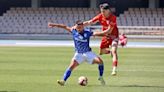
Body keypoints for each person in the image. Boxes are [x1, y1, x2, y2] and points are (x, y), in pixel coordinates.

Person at [48, 20, 113, 86]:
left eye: (80, 27)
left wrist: (106, 33)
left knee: (100, 62)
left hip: (88, 53)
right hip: (78, 54)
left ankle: (100, 77)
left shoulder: (87, 33)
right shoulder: (73, 31)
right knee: (71, 67)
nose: (79, 29)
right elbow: (64, 26)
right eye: (77, 27)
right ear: (75, 27)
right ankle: (63, 81)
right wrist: (54, 25)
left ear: (83, 27)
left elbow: (96, 33)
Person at [83, 3, 119, 76]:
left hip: (113, 36)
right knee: (101, 52)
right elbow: (90, 22)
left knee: (114, 51)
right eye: (101, 11)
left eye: (104, 11)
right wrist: (79, 26)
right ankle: (110, 51)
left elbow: (109, 31)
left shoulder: (113, 18)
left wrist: (96, 33)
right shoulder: (100, 16)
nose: (102, 13)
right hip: (105, 37)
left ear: (108, 10)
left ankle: (114, 70)